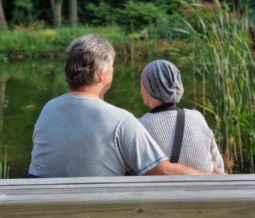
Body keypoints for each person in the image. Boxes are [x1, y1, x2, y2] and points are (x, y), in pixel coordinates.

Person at [27, 35, 220, 177]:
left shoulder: (48, 109)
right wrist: (211, 176)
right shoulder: (120, 119)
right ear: (102, 74)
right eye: (112, 66)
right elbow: (163, 171)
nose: (113, 71)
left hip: (45, 214)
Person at [139, 59, 225, 173]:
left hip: (163, 191)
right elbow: (218, 166)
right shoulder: (197, 118)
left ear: (149, 88)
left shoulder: (139, 126)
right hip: (205, 189)